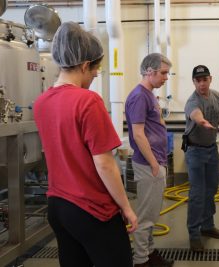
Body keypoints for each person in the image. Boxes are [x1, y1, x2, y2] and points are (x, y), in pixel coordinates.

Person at [33, 22, 137, 267]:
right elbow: (104, 164)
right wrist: (126, 207)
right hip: (91, 208)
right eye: (94, 70)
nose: (95, 75)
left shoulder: (41, 103)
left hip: (58, 206)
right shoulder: (88, 101)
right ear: (83, 65)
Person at [125, 53, 174, 267]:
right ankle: (141, 261)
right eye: (163, 73)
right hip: (148, 165)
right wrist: (154, 164)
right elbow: (137, 134)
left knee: (152, 214)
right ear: (149, 71)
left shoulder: (149, 95)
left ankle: (149, 254)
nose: (166, 77)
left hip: (155, 163)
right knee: (146, 216)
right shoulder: (139, 96)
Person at [184, 65, 219, 252]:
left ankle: (207, 226)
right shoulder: (192, 101)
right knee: (197, 194)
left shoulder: (217, 96)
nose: (202, 83)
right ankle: (194, 235)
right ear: (194, 82)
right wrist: (201, 121)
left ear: (210, 79)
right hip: (195, 152)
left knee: (211, 190)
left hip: (211, 150)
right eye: (198, 80)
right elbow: (195, 114)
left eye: (205, 79)